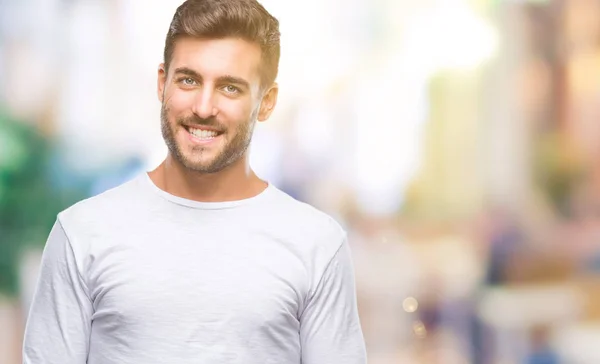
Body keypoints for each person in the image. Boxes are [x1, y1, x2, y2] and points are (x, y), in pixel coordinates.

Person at [21, 0, 367, 363]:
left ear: (266, 102)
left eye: (230, 88)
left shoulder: (317, 244)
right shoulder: (81, 234)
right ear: (162, 82)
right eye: (188, 80)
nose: (203, 107)